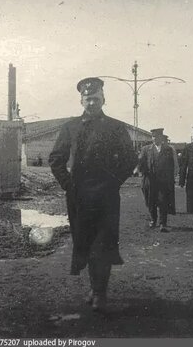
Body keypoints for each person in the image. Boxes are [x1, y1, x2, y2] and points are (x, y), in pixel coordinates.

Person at [48, 77, 137, 311]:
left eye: (96, 99)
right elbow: (56, 159)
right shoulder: (70, 127)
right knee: (85, 243)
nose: (92, 103)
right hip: (78, 197)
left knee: (103, 244)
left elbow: (130, 159)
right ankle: (94, 287)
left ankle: (100, 293)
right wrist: (69, 184)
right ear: (81, 101)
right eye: (88, 100)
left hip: (106, 197)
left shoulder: (116, 127)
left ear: (103, 100)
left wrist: (113, 183)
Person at [137, 128, 177, 232]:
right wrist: (141, 168)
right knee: (151, 201)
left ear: (161, 138)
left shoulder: (168, 149)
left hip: (163, 181)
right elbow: (141, 163)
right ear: (152, 138)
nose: (155, 139)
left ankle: (163, 223)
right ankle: (153, 220)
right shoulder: (146, 149)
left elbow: (171, 166)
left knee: (163, 201)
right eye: (153, 137)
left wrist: (170, 178)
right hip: (150, 180)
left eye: (157, 137)